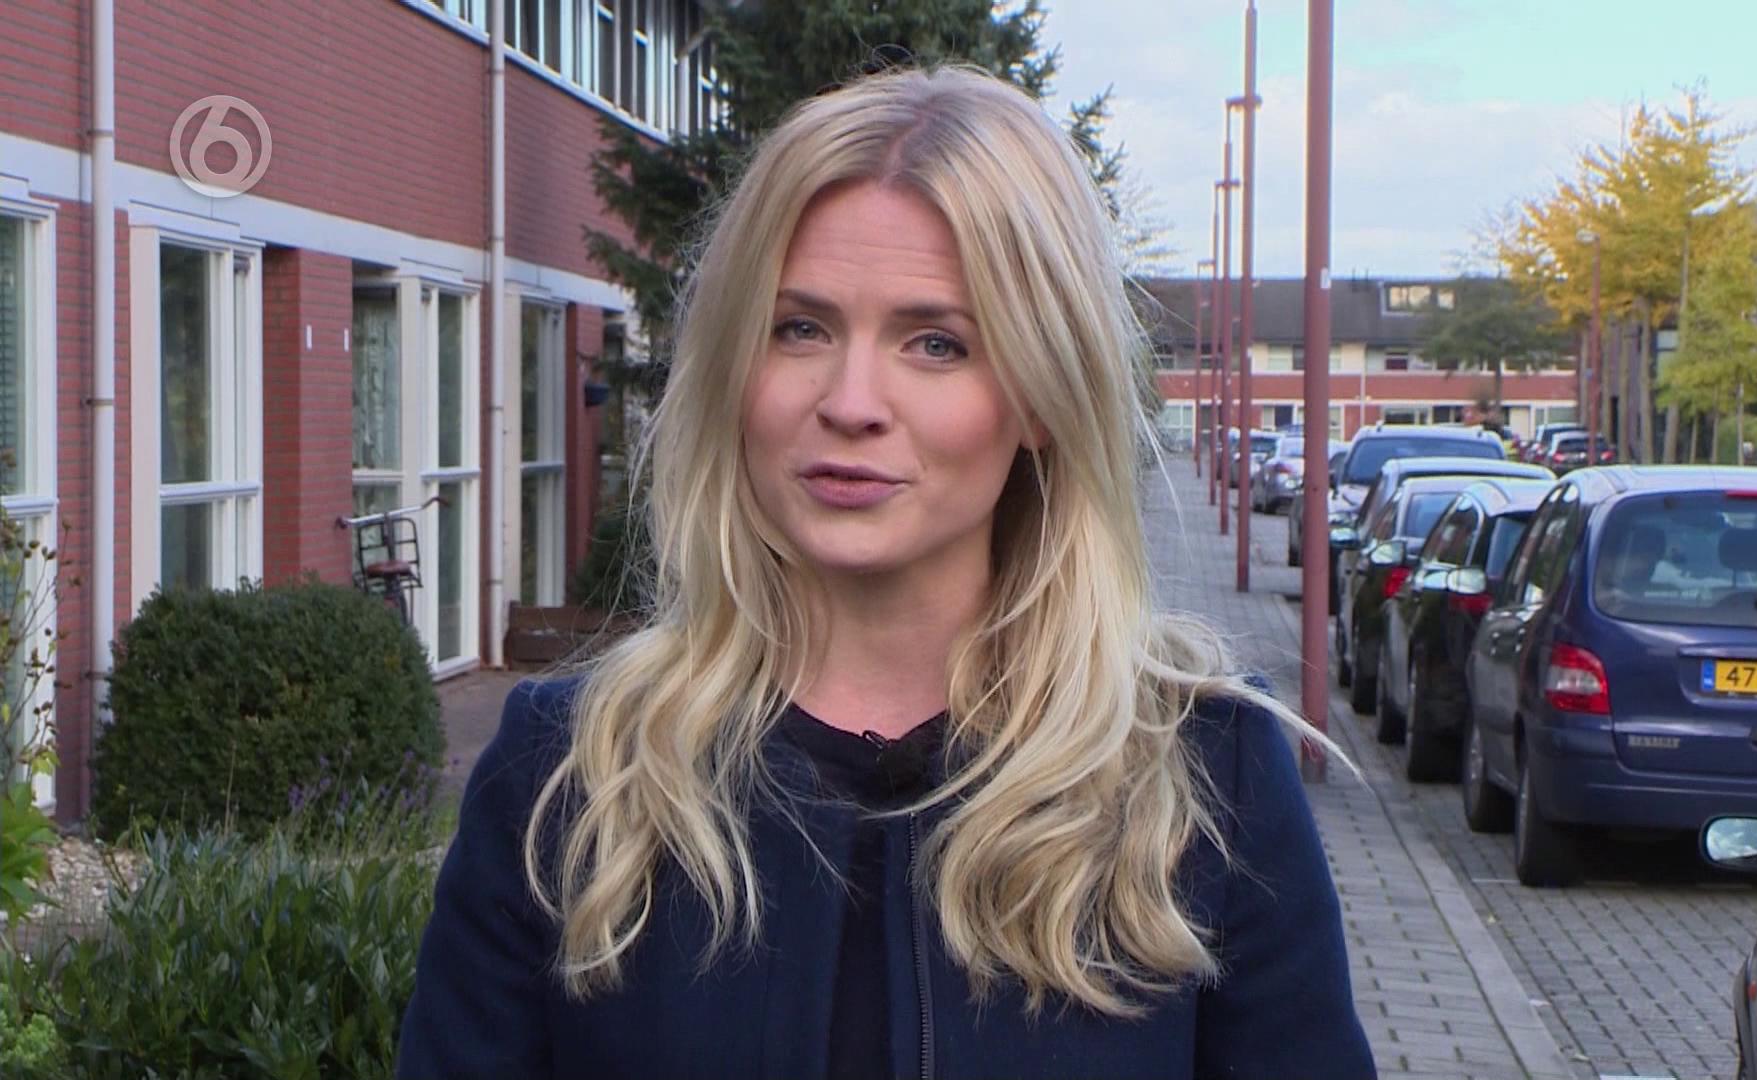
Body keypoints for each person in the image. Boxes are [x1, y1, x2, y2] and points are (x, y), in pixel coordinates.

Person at [397, 64, 1374, 1080]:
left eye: (936, 343)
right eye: (800, 328)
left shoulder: (1205, 776)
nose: (851, 401)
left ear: (1042, 395)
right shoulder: (568, 776)